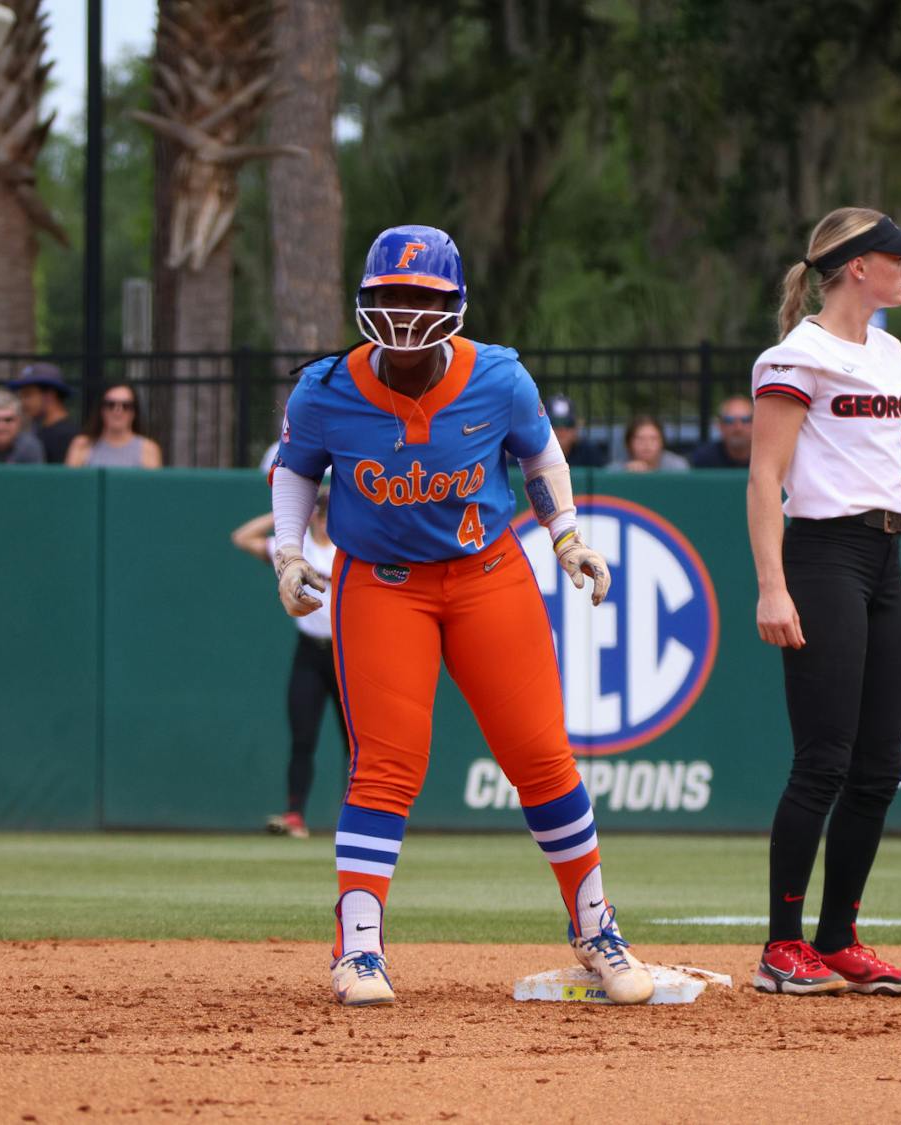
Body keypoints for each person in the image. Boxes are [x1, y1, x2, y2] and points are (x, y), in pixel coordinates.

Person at [270, 223, 653, 1008]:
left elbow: (540, 456)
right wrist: (286, 550)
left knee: (542, 754)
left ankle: (595, 927)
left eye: (423, 296)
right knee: (385, 763)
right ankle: (359, 948)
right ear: (365, 300)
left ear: (456, 302)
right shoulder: (324, 388)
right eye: (391, 296)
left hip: (486, 575)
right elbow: (296, 470)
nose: (406, 311)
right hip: (381, 582)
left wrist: (567, 534)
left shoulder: (498, 376)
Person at [747, 206, 901, 998]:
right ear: (857, 266)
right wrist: (772, 583)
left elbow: (883, 451)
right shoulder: (797, 355)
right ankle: (781, 946)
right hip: (823, 557)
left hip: (886, 556)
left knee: (879, 765)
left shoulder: (889, 351)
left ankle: (839, 937)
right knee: (823, 759)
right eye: (898, 257)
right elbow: (764, 478)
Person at [230, 485, 348, 839]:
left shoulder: (347, 549)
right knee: (303, 735)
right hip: (310, 651)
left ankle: (359, 818)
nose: (324, 520)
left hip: (347, 652)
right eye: (320, 513)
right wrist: (288, 516)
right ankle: (295, 815)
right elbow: (241, 537)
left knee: (357, 744)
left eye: (328, 513)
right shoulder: (297, 550)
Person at [66, 383, 163, 468]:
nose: (118, 411)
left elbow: (153, 487)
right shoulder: (81, 445)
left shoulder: (148, 449)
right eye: (111, 405)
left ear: (134, 412)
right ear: (101, 410)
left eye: (126, 406)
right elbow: (71, 484)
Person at [7, 363, 80, 465]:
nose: (23, 402)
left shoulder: (67, 437)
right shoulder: (41, 430)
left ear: (49, 396)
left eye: (28, 394)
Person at [608, 414, 690, 472]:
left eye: (653, 439)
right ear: (628, 443)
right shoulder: (616, 471)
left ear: (662, 442)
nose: (647, 444)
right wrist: (626, 474)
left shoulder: (677, 467)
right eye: (640, 439)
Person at [691, 395, 755, 468]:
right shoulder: (702, 459)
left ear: (756, 423)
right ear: (720, 425)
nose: (738, 428)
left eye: (745, 420)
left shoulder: (766, 457)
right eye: (729, 420)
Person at [544, 394, 607, 467]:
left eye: (568, 423)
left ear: (576, 427)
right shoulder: (533, 454)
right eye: (554, 423)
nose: (562, 429)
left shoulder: (590, 453)